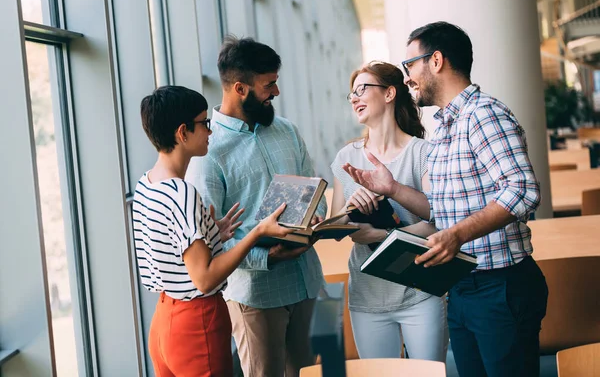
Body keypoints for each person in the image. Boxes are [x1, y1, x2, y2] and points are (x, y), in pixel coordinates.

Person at [343, 22, 548, 377]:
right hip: (463, 285)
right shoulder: (445, 127)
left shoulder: (484, 115)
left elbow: (523, 190)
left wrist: (457, 235)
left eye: (410, 66)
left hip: (499, 285)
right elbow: (441, 209)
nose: (407, 78)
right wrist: (393, 189)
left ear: (435, 60)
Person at [186, 37, 327, 377]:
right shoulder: (209, 153)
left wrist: (317, 217)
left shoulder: (287, 131)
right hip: (256, 296)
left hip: (306, 282)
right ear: (240, 88)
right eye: (269, 85)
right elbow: (209, 243)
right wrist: (268, 256)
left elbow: (314, 190)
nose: (276, 92)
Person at [133, 85, 293, 376]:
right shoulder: (182, 193)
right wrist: (256, 233)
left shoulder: (147, 184)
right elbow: (205, 279)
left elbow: (170, 252)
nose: (210, 131)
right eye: (204, 124)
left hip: (164, 321)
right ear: (182, 132)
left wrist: (210, 235)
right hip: (196, 322)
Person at [330, 61, 448, 361]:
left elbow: (440, 222)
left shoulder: (423, 152)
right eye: (351, 94)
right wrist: (351, 208)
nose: (354, 98)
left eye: (362, 90)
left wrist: (382, 233)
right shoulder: (346, 157)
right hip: (368, 295)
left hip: (420, 290)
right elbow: (337, 230)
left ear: (389, 94)